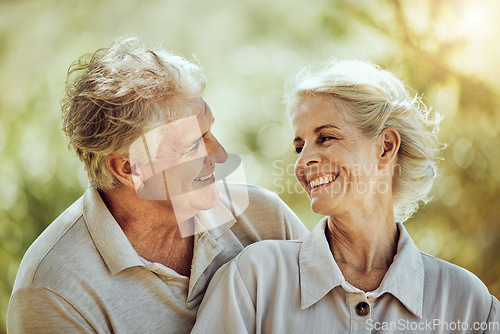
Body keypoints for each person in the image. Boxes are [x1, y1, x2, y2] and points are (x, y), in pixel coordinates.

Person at [6, 37, 308, 333]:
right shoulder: (53, 291)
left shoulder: (263, 217)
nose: (219, 154)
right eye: (192, 145)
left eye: (209, 131)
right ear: (127, 168)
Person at [191, 60, 500, 333]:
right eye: (300, 147)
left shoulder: (467, 301)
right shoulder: (254, 279)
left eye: (325, 138)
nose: (303, 161)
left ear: (386, 147)